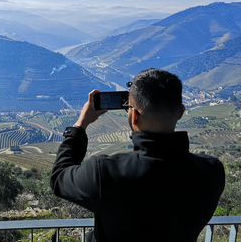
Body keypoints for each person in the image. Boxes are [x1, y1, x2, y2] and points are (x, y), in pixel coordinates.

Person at [50, 68, 225, 242]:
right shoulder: (212, 172)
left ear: (134, 115)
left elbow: (59, 177)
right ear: (181, 111)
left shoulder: (105, 172)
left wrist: (80, 125)